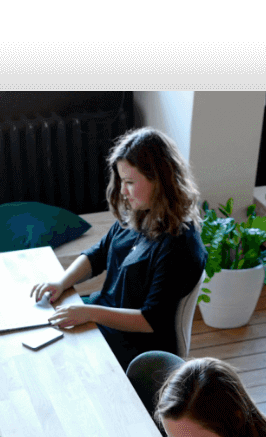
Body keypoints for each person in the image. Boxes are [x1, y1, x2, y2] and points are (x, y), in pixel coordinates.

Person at [29, 127, 206, 371]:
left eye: (130, 182)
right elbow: (98, 254)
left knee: (56, 358)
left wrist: (89, 313)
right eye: (122, 181)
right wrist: (62, 282)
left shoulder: (179, 245)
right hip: (104, 316)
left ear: (160, 180)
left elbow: (149, 320)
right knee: (43, 329)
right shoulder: (138, 214)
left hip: (137, 346)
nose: (123, 190)